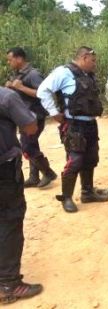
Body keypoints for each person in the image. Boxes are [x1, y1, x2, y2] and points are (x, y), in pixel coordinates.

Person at [37, 46, 108, 213]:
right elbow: (43, 90)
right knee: (75, 161)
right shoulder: (64, 72)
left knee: (91, 158)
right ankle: (67, 197)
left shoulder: (87, 75)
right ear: (84, 57)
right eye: (93, 60)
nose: (94, 64)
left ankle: (87, 192)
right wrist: (54, 112)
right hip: (74, 125)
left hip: (90, 124)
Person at [0, 87, 43, 304]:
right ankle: (8, 284)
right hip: (3, 172)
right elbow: (30, 127)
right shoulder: (5, 97)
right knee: (9, 221)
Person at [5, 47, 57, 188]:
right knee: (30, 144)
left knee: (27, 146)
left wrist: (21, 88)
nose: (9, 63)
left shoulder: (33, 74)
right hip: (24, 116)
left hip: (34, 116)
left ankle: (48, 173)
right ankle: (34, 177)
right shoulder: (18, 74)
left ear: (19, 58)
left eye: (10, 60)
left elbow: (43, 93)